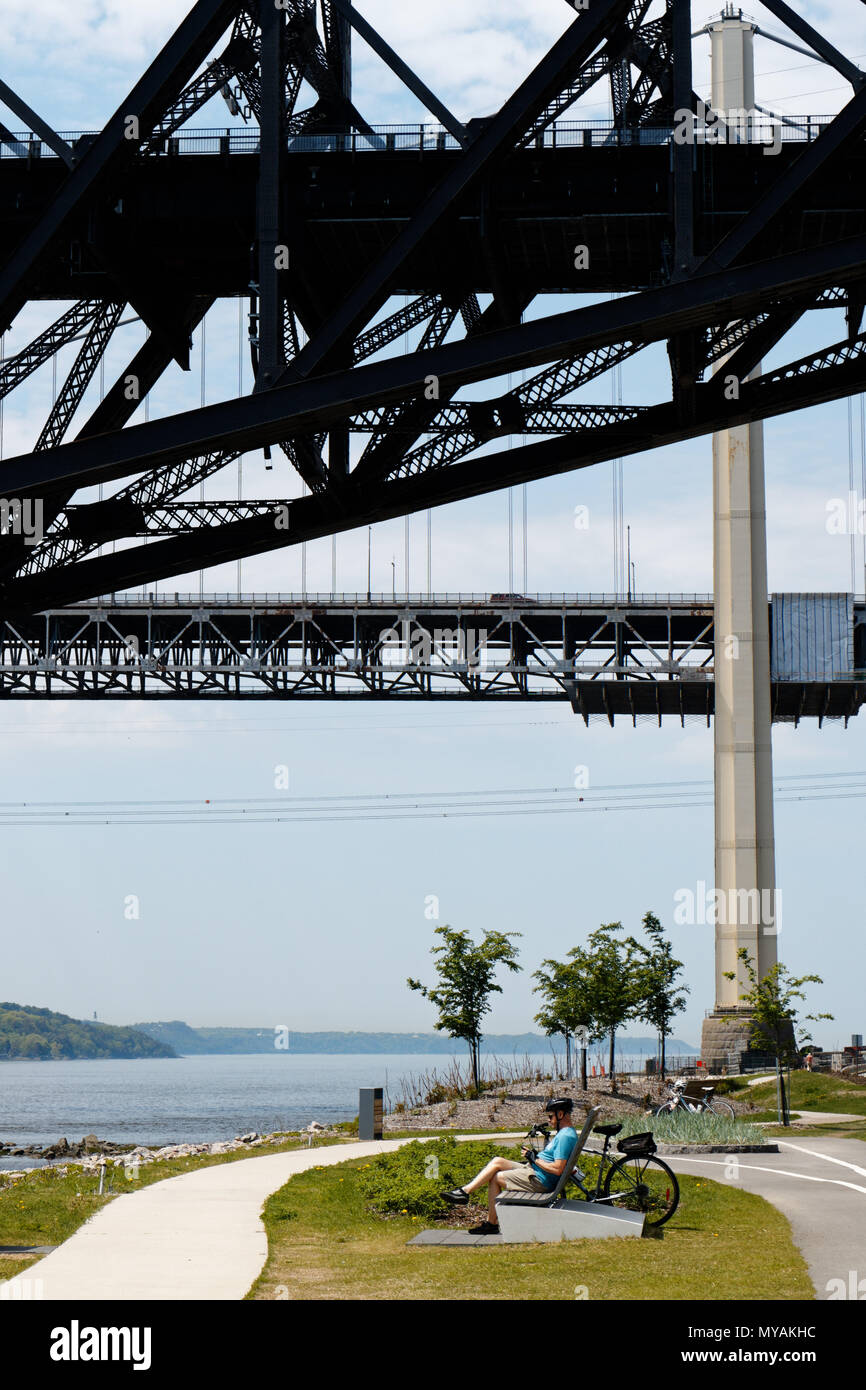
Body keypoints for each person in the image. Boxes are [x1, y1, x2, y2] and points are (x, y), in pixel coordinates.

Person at [441, 1097, 579, 1235]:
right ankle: (464, 1192)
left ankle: (491, 1223)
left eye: (550, 1116)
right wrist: (533, 1157)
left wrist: (534, 1159)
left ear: (560, 1114)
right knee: (497, 1161)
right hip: (535, 1171)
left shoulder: (565, 1137)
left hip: (540, 1180)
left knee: (496, 1178)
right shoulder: (565, 1133)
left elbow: (558, 1169)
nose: (548, 1120)